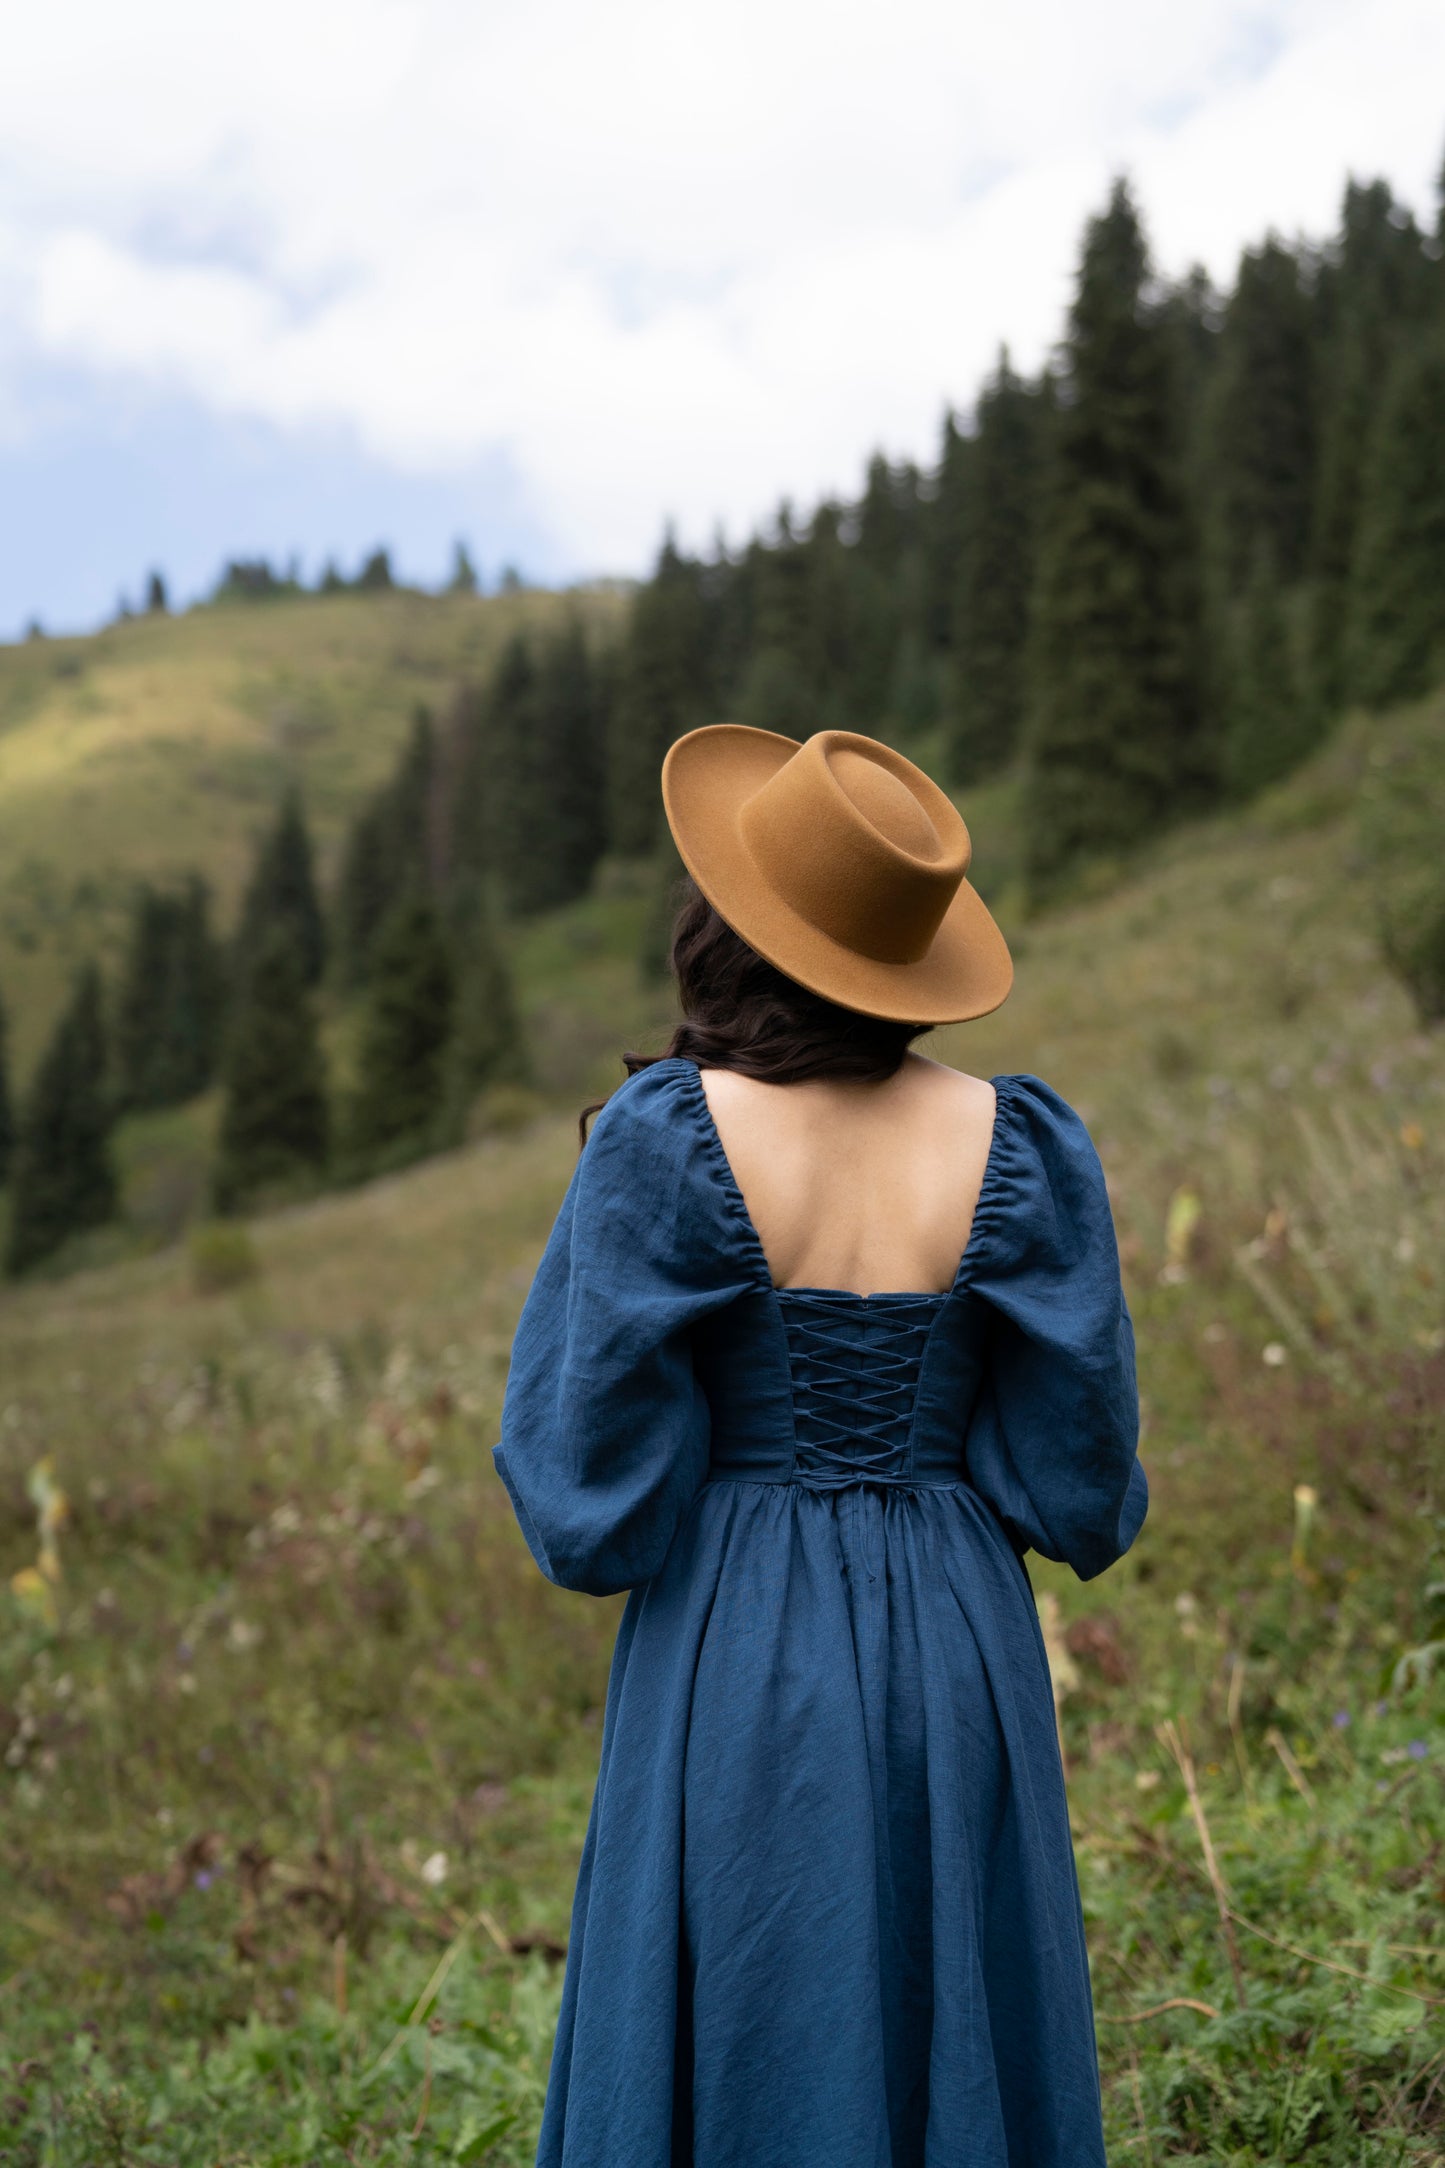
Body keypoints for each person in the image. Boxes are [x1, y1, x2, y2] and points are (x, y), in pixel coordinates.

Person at [496, 724, 1147, 2168]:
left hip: (735, 1636)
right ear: (904, 957)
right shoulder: (1020, 1142)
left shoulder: (666, 1138)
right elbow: (1076, 1482)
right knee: (950, 1989)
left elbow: (587, 1500)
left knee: (745, 2001)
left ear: (723, 923)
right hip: (960, 1628)